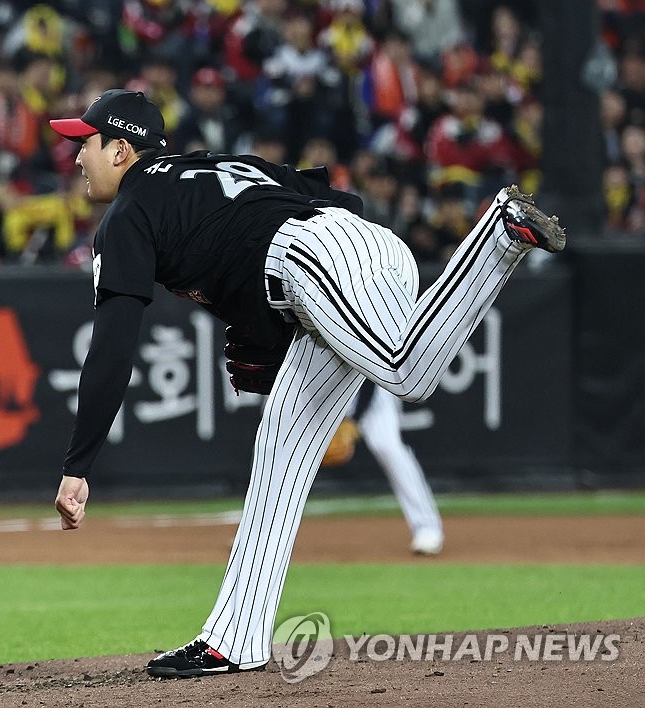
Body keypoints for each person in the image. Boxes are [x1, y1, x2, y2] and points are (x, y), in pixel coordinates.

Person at [48, 89, 564, 678]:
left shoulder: (128, 214)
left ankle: (496, 235)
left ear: (120, 150)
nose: (75, 157)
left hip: (309, 259)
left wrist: (79, 463)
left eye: (82, 144)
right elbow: (324, 193)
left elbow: (113, 346)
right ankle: (235, 638)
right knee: (282, 448)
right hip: (346, 247)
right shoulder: (208, 165)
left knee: (405, 372)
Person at [345, 380, 444, 555]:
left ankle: (426, 527)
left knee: (387, 447)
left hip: (367, 380)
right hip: (324, 384)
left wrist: (355, 419)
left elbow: (368, 376)